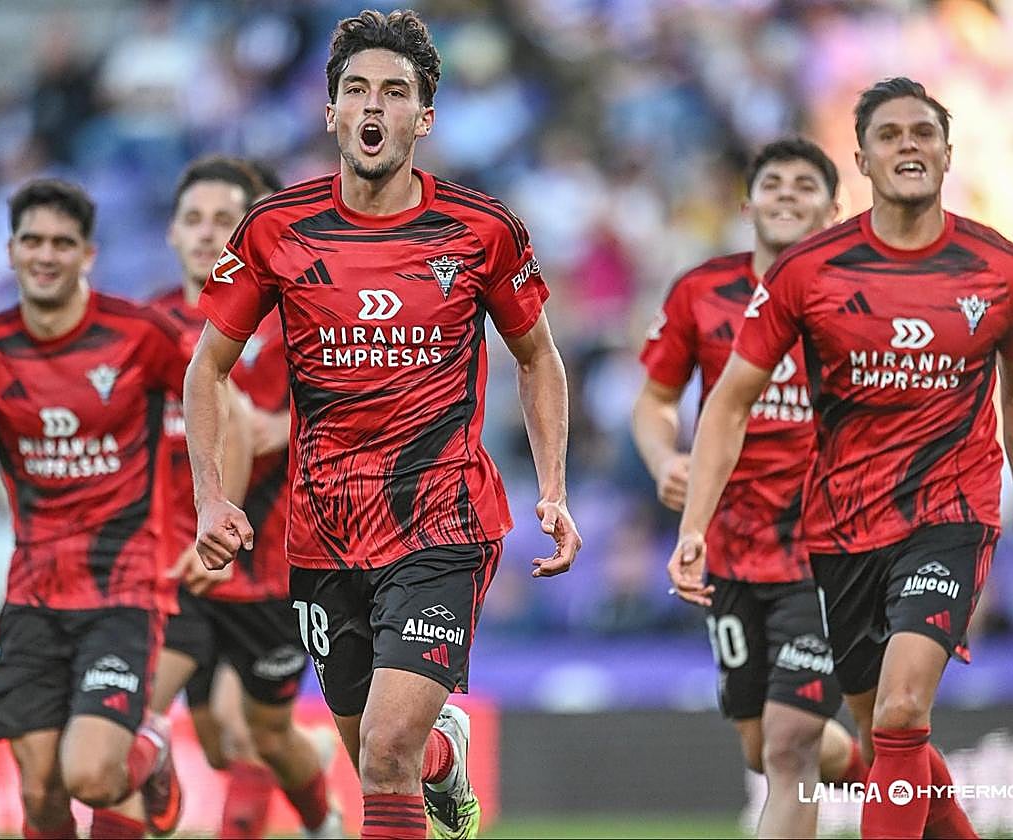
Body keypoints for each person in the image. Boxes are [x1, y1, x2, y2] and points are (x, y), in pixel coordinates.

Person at [183, 9, 581, 840]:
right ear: (330, 110)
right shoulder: (276, 230)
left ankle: (420, 752)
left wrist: (552, 487)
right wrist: (210, 498)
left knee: (385, 749)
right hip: (323, 533)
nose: (374, 105)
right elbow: (207, 369)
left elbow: (538, 357)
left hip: (442, 521)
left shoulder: (481, 230)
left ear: (423, 118)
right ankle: (444, 755)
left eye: (395, 92)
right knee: (377, 748)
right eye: (357, 90)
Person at [670, 77, 1011, 839]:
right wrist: (695, 524)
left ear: (948, 153)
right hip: (842, 530)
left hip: (952, 512)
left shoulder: (998, 267)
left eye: (923, 133)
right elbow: (728, 401)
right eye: (889, 135)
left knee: (902, 709)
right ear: (861, 159)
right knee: (884, 736)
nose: (908, 146)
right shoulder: (811, 269)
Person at [0, 178, 223, 840]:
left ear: (87, 254)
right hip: (33, 594)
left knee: (92, 776)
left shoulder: (139, 335)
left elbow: (215, 397)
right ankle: (144, 751)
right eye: (33, 241)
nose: (46, 255)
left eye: (62, 243)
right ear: (11, 251)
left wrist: (214, 505)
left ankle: (150, 749)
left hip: (122, 589)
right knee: (39, 792)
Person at [633, 138, 869, 837]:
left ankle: (897, 785)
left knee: (790, 745)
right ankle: (897, 785)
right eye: (773, 182)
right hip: (730, 551)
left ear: (835, 210)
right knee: (762, 746)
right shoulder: (701, 292)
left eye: (805, 184)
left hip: (824, 550)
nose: (787, 193)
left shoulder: (858, 300)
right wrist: (662, 459)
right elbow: (655, 400)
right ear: (748, 204)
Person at [146, 154, 341, 839]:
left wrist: (283, 428)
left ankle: (320, 818)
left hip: (268, 564)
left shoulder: (296, 318)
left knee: (253, 733)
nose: (206, 233)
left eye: (224, 220)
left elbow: (358, 413)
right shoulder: (147, 328)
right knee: (205, 737)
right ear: (172, 231)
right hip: (178, 563)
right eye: (193, 219)